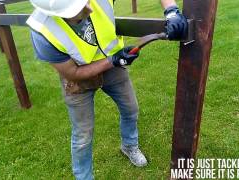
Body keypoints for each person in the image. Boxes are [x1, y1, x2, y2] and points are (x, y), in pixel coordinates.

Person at [27, 0, 187, 179]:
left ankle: (129, 146)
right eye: (79, 8)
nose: (89, 8)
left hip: (113, 68)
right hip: (79, 80)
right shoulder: (41, 32)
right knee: (82, 135)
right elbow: (72, 73)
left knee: (131, 110)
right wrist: (113, 60)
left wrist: (171, 11)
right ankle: (84, 176)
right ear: (57, 13)